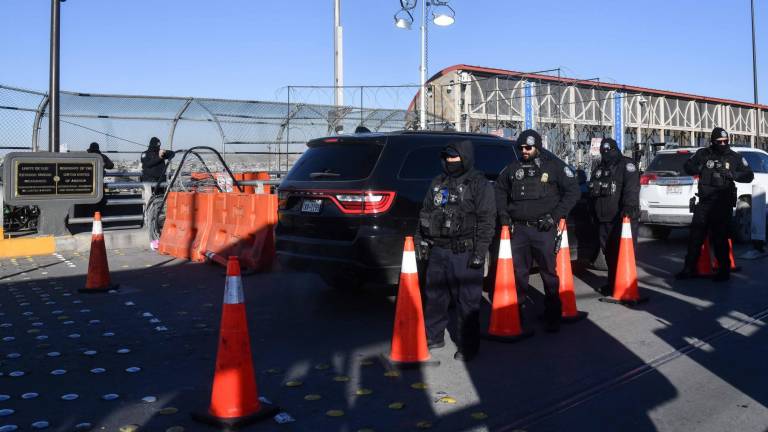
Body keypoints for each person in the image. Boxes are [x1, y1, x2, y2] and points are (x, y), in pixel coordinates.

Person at [415, 140, 496, 362]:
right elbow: (425, 212)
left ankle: (468, 345)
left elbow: (487, 220)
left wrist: (481, 251)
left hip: (465, 251)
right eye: (448, 158)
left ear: (465, 158)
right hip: (438, 250)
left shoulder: (478, 184)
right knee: (435, 297)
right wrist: (420, 241)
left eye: (455, 158)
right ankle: (434, 336)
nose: (451, 162)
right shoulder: (438, 183)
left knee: (467, 301)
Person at [495, 129, 580, 332]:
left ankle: (553, 315)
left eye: (529, 147)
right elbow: (499, 190)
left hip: (544, 229)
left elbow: (573, 191)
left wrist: (555, 216)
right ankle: (518, 314)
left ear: (538, 147)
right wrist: (504, 215)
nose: (524, 151)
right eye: (522, 147)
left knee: (548, 273)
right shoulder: (512, 169)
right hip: (519, 230)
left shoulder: (554, 167)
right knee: (519, 273)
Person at [676, 127, 754, 282]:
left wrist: (734, 174)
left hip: (722, 203)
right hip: (704, 202)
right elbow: (687, 167)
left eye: (726, 141)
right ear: (713, 141)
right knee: (695, 237)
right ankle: (688, 269)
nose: (723, 144)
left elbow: (749, 175)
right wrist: (700, 168)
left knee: (720, 238)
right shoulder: (703, 154)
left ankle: (723, 271)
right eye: (720, 141)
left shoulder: (734, 157)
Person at [588, 137, 640, 295]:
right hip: (603, 219)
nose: (606, 153)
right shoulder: (598, 168)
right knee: (609, 254)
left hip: (622, 219)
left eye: (609, 150)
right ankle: (612, 284)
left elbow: (631, 188)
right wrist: (592, 213)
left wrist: (629, 207)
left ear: (615, 149)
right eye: (603, 151)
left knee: (622, 253)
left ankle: (625, 286)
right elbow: (593, 191)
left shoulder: (627, 165)